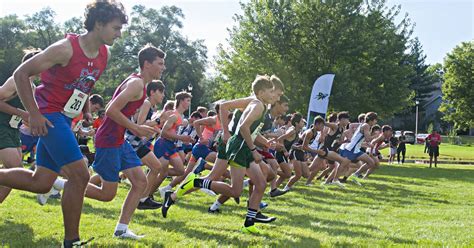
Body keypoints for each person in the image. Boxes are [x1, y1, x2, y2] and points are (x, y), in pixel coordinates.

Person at [0, 1, 127, 246]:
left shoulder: (104, 53)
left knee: (42, 182)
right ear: (98, 24)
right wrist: (34, 114)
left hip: (65, 118)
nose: (119, 33)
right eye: (116, 28)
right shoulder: (64, 49)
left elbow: (83, 84)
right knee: (80, 174)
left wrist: (86, 110)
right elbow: (21, 74)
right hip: (50, 114)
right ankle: (72, 241)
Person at [161, 75, 277, 234]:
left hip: (240, 145)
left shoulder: (256, 102)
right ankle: (196, 183)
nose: (274, 96)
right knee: (235, 190)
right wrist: (251, 149)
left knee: (261, 183)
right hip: (239, 148)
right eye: (272, 92)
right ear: (262, 92)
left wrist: (263, 142)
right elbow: (243, 127)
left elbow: (248, 129)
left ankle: (249, 222)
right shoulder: (257, 105)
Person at [0, 49, 41, 203]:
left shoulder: (33, 87)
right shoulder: (14, 81)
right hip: (1, 127)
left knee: (13, 176)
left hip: (12, 130)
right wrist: (22, 114)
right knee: (15, 170)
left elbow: (28, 114)